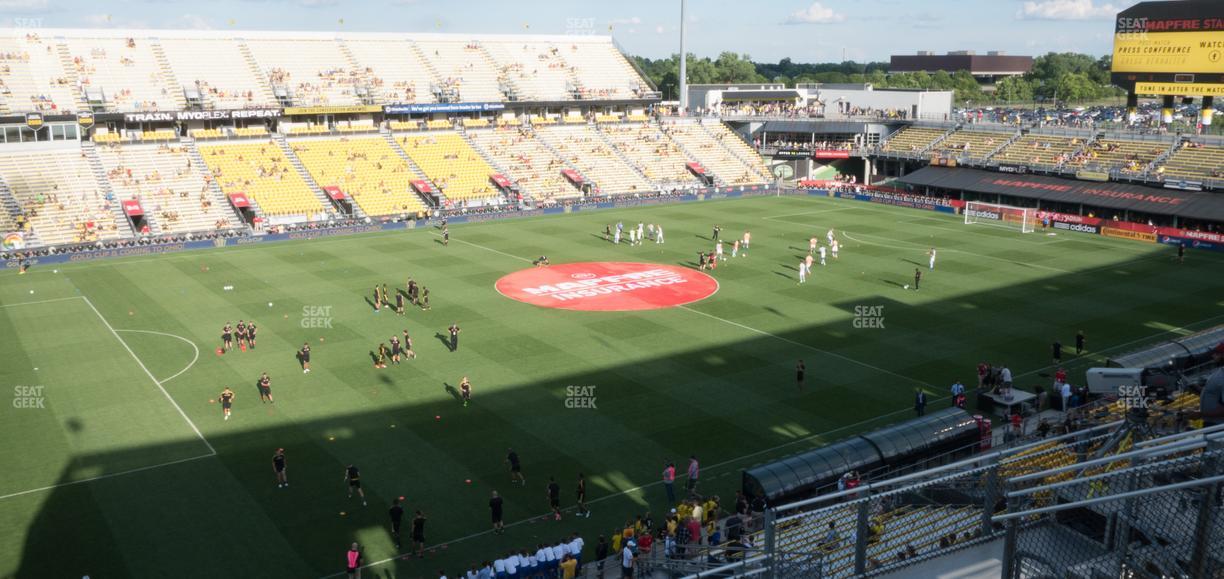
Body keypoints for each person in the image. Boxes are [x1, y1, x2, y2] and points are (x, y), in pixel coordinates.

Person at [1189, 343, 1224, 427]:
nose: (1213, 356)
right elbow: (1215, 394)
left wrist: (1200, 414)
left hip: (1218, 426)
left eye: (1217, 354)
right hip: (1213, 424)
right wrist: (1197, 389)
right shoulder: (1220, 372)